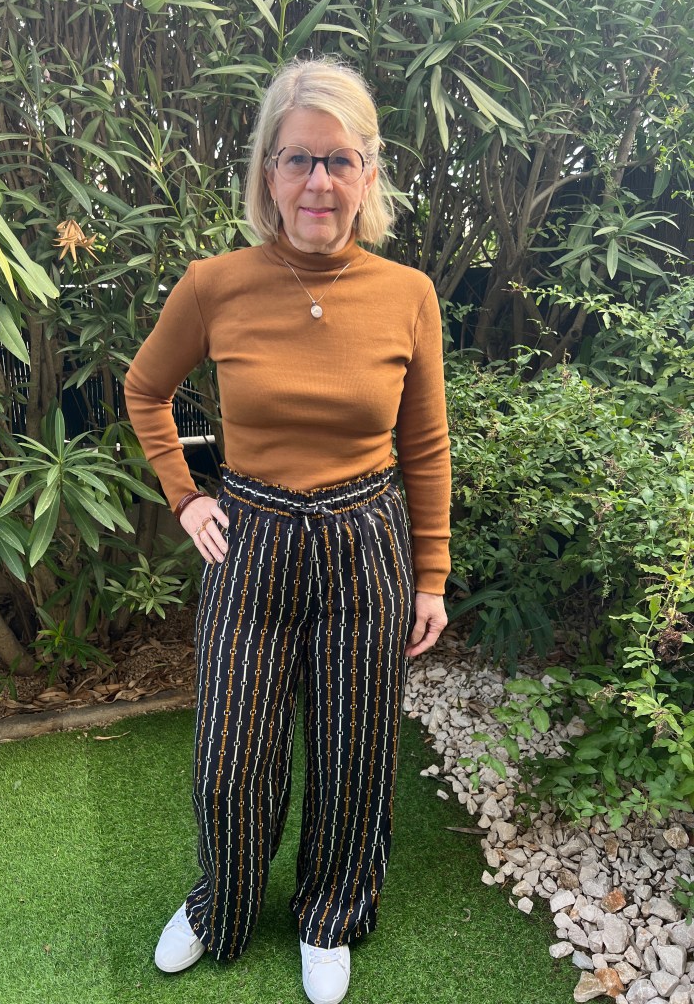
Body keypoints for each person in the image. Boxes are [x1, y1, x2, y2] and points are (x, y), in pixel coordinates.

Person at [123, 57, 451, 1004]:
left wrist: (431, 574)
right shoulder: (214, 284)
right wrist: (187, 497)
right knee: (232, 755)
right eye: (299, 159)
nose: (319, 182)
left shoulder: (408, 293)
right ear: (268, 171)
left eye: (339, 160)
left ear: (367, 173)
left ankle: (330, 915)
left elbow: (426, 444)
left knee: (355, 753)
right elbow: (145, 390)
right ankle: (221, 903)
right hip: (253, 539)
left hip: (366, 540)